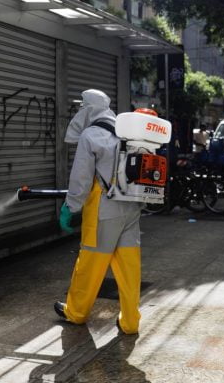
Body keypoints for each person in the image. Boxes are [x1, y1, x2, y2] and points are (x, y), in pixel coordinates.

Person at [55, 89, 143, 335]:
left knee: (90, 263)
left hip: (104, 210)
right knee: (129, 268)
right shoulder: (128, 131)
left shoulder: (92, 134)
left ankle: (76, 312)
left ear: (89, 109)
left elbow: (81, 178)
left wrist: (70, 207)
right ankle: (130, 322)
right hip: (131, 207)